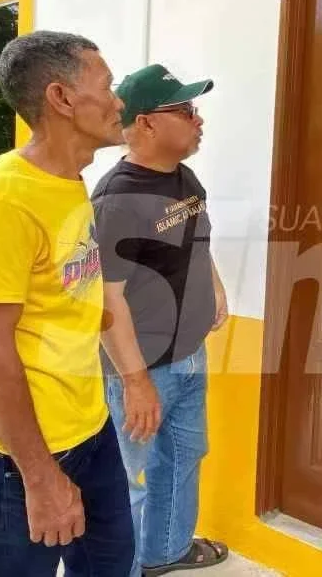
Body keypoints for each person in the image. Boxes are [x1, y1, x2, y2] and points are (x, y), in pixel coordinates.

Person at [0, 30, 133, 576]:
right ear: (62, 98)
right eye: (108, 84)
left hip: (91, 430)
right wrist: (41, 477)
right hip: (20, 457)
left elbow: (67, 296)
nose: (119, 100)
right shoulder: (1, 200)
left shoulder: (70, 183)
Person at [90, 63, 230, 576]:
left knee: (183, 458)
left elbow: (197, 240)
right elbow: (106, 302)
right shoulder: (115, 200)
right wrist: (135, 383)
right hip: (141, 369)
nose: (199, 120)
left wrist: (213, 287)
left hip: (189, 354)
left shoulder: (184, 177)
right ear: (147, 123)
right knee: (125, 479)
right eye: (187, 110)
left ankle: (164, 552)